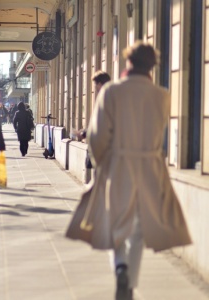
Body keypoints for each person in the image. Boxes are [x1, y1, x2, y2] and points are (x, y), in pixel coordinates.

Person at [66, 41, 191, 300]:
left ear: (128, 62)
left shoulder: (111, 92)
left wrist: (103, 164)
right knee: (139, 228)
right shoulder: (162, 95)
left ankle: (121, 268)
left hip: (118, 166)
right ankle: (130, 283)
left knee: (116, 224)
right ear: (151, 66)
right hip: (150, 168)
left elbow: (97, 136)